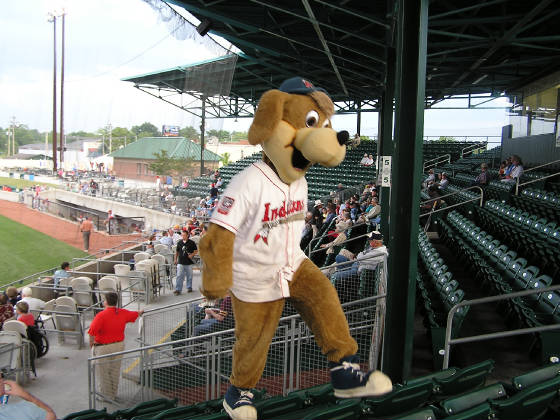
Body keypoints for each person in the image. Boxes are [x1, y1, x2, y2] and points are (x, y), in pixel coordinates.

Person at [88, 292, 143, 401]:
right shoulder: (122, 313)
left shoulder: (100, 316)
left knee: (103, 372)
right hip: (118, 346)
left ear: (106, 302)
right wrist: (140, 312)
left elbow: (91, 333)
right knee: (114, 371)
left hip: (103, 347)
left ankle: (106, 396)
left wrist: (92, 346)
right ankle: (113, 393)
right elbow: (135, 314)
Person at [174, 230, 197, 295]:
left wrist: (192, 255)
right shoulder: (179, 243)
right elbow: (177, 252)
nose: (183, 236)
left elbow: (196, 251)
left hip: (189, 262)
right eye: (182, 235)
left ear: (187, 235)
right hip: (180, 261)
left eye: (184, 235)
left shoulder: (192, 242)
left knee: (189, 276)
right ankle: (178, 289)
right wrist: (175, 259)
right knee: (179, 276)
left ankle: (189, 287)